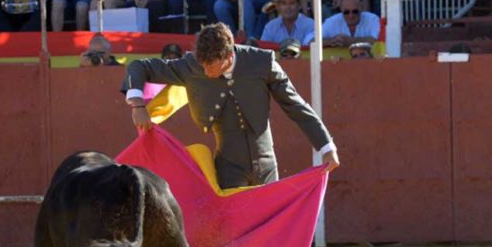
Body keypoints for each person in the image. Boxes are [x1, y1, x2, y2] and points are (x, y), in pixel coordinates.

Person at [121, 22, 339, 189]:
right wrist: (137, 104)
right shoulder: (192, 66)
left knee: (270, 231)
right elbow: (139, 66)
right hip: (227, 166)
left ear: (227, 56)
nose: (205, 72)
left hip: (266, 164)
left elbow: (296, 106)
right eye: (202, 64)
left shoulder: (262, 63)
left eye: (211, 66)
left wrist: (326, 147)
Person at [309, 0, 379, 47]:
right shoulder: (332, 21)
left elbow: (378, 40)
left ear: (361, 8)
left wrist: (350, 41)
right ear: (341, 10)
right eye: (346, 12)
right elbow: (310, 40)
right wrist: (331, 41)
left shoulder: (372, 19)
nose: (351, 15)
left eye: (355, 11)